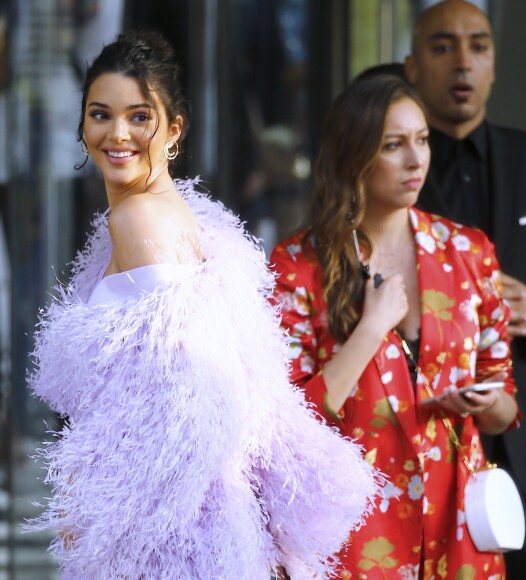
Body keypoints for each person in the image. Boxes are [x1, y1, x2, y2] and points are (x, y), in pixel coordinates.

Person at [27, 30, 378, 579]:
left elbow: (186, 400)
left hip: (169, 539)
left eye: (139, 116)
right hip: (210, 529)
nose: (117, 134)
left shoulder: (137, 218)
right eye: (101, 114)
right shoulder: (190, 218)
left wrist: (101, 523)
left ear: (174, 129)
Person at [270, 74, 520, 578]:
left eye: (422, 140)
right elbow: (289, 423)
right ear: (355, 155)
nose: (416, 160)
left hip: (458, 530)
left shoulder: (468, 252)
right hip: (355, 538)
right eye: (393, 145)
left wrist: (484, 401)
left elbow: (506, 407)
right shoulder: (298, 264)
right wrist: (371, 328)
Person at [404, 1, 526, 578]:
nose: (463, 62)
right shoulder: (391, 169)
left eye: (478, 46)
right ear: (412, 66)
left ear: (494, 64)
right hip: (419, 444)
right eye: (442, 46)